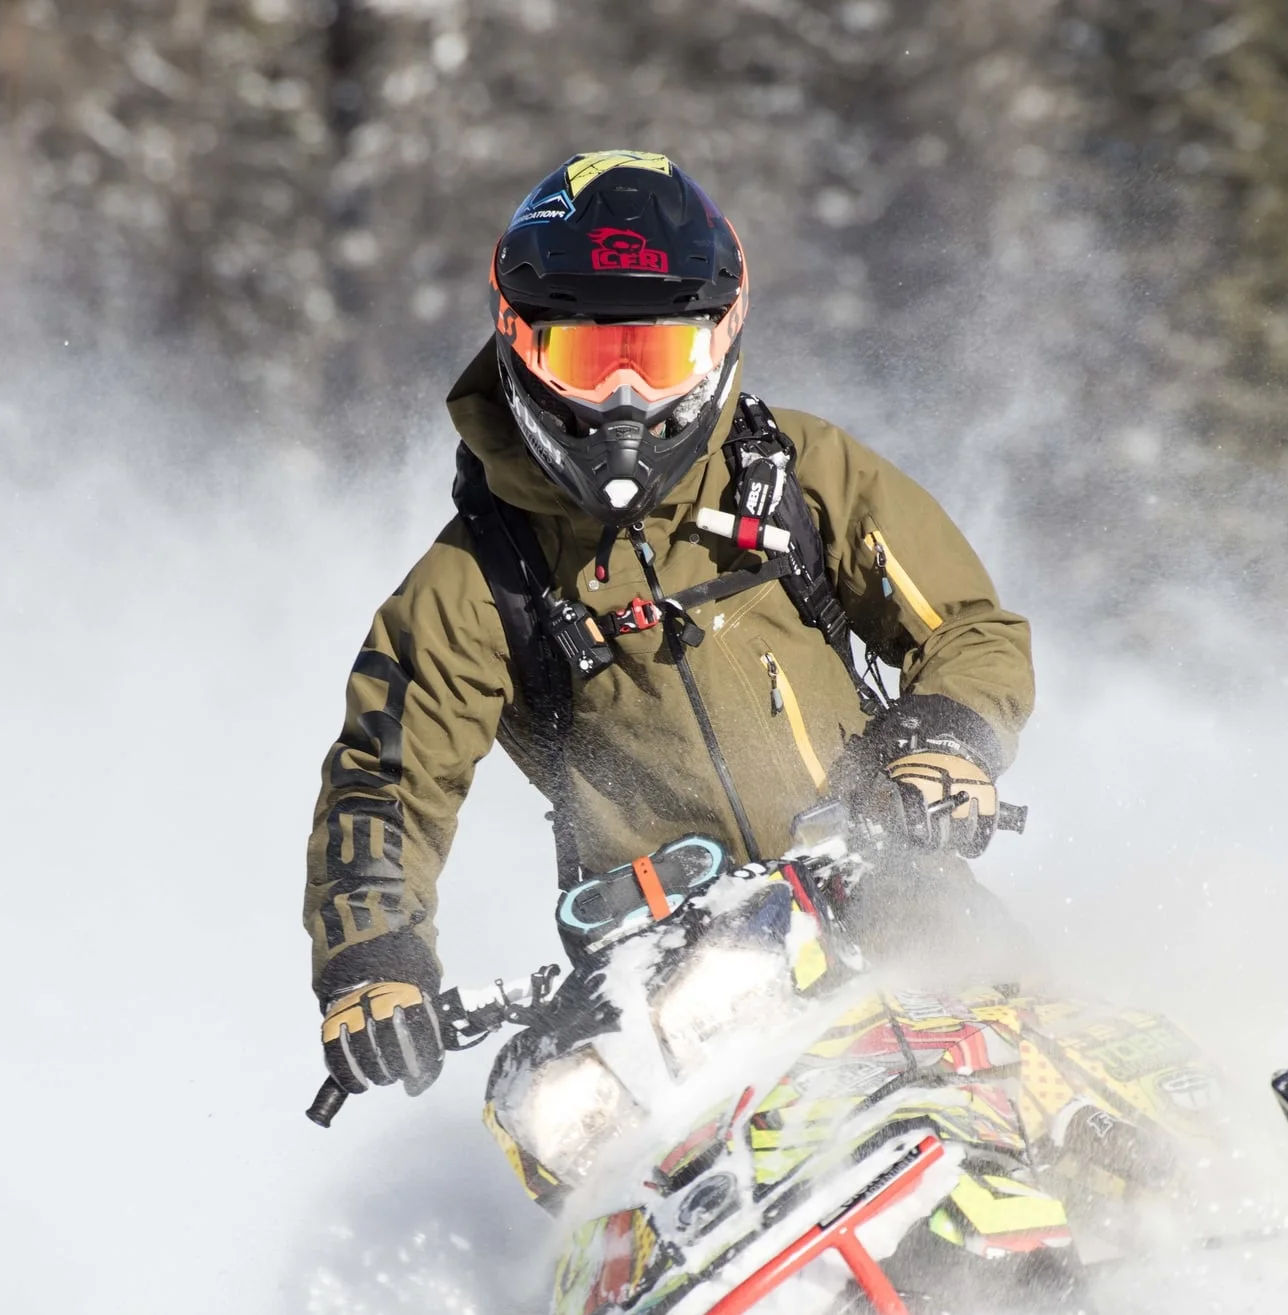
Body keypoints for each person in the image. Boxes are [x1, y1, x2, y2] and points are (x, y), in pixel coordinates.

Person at [307, 151, 1034, 1099]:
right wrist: (375, 962)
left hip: (895, 903)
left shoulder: (800, 473)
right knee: (563, 1128)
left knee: (1046, 1086)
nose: (623, 399)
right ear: (519, 344)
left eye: (655, 359)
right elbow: (384, 783)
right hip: (671, 990)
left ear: (718, 339)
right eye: (584, 359)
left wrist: (944, 744)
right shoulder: (477, 578)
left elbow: (966, 626)